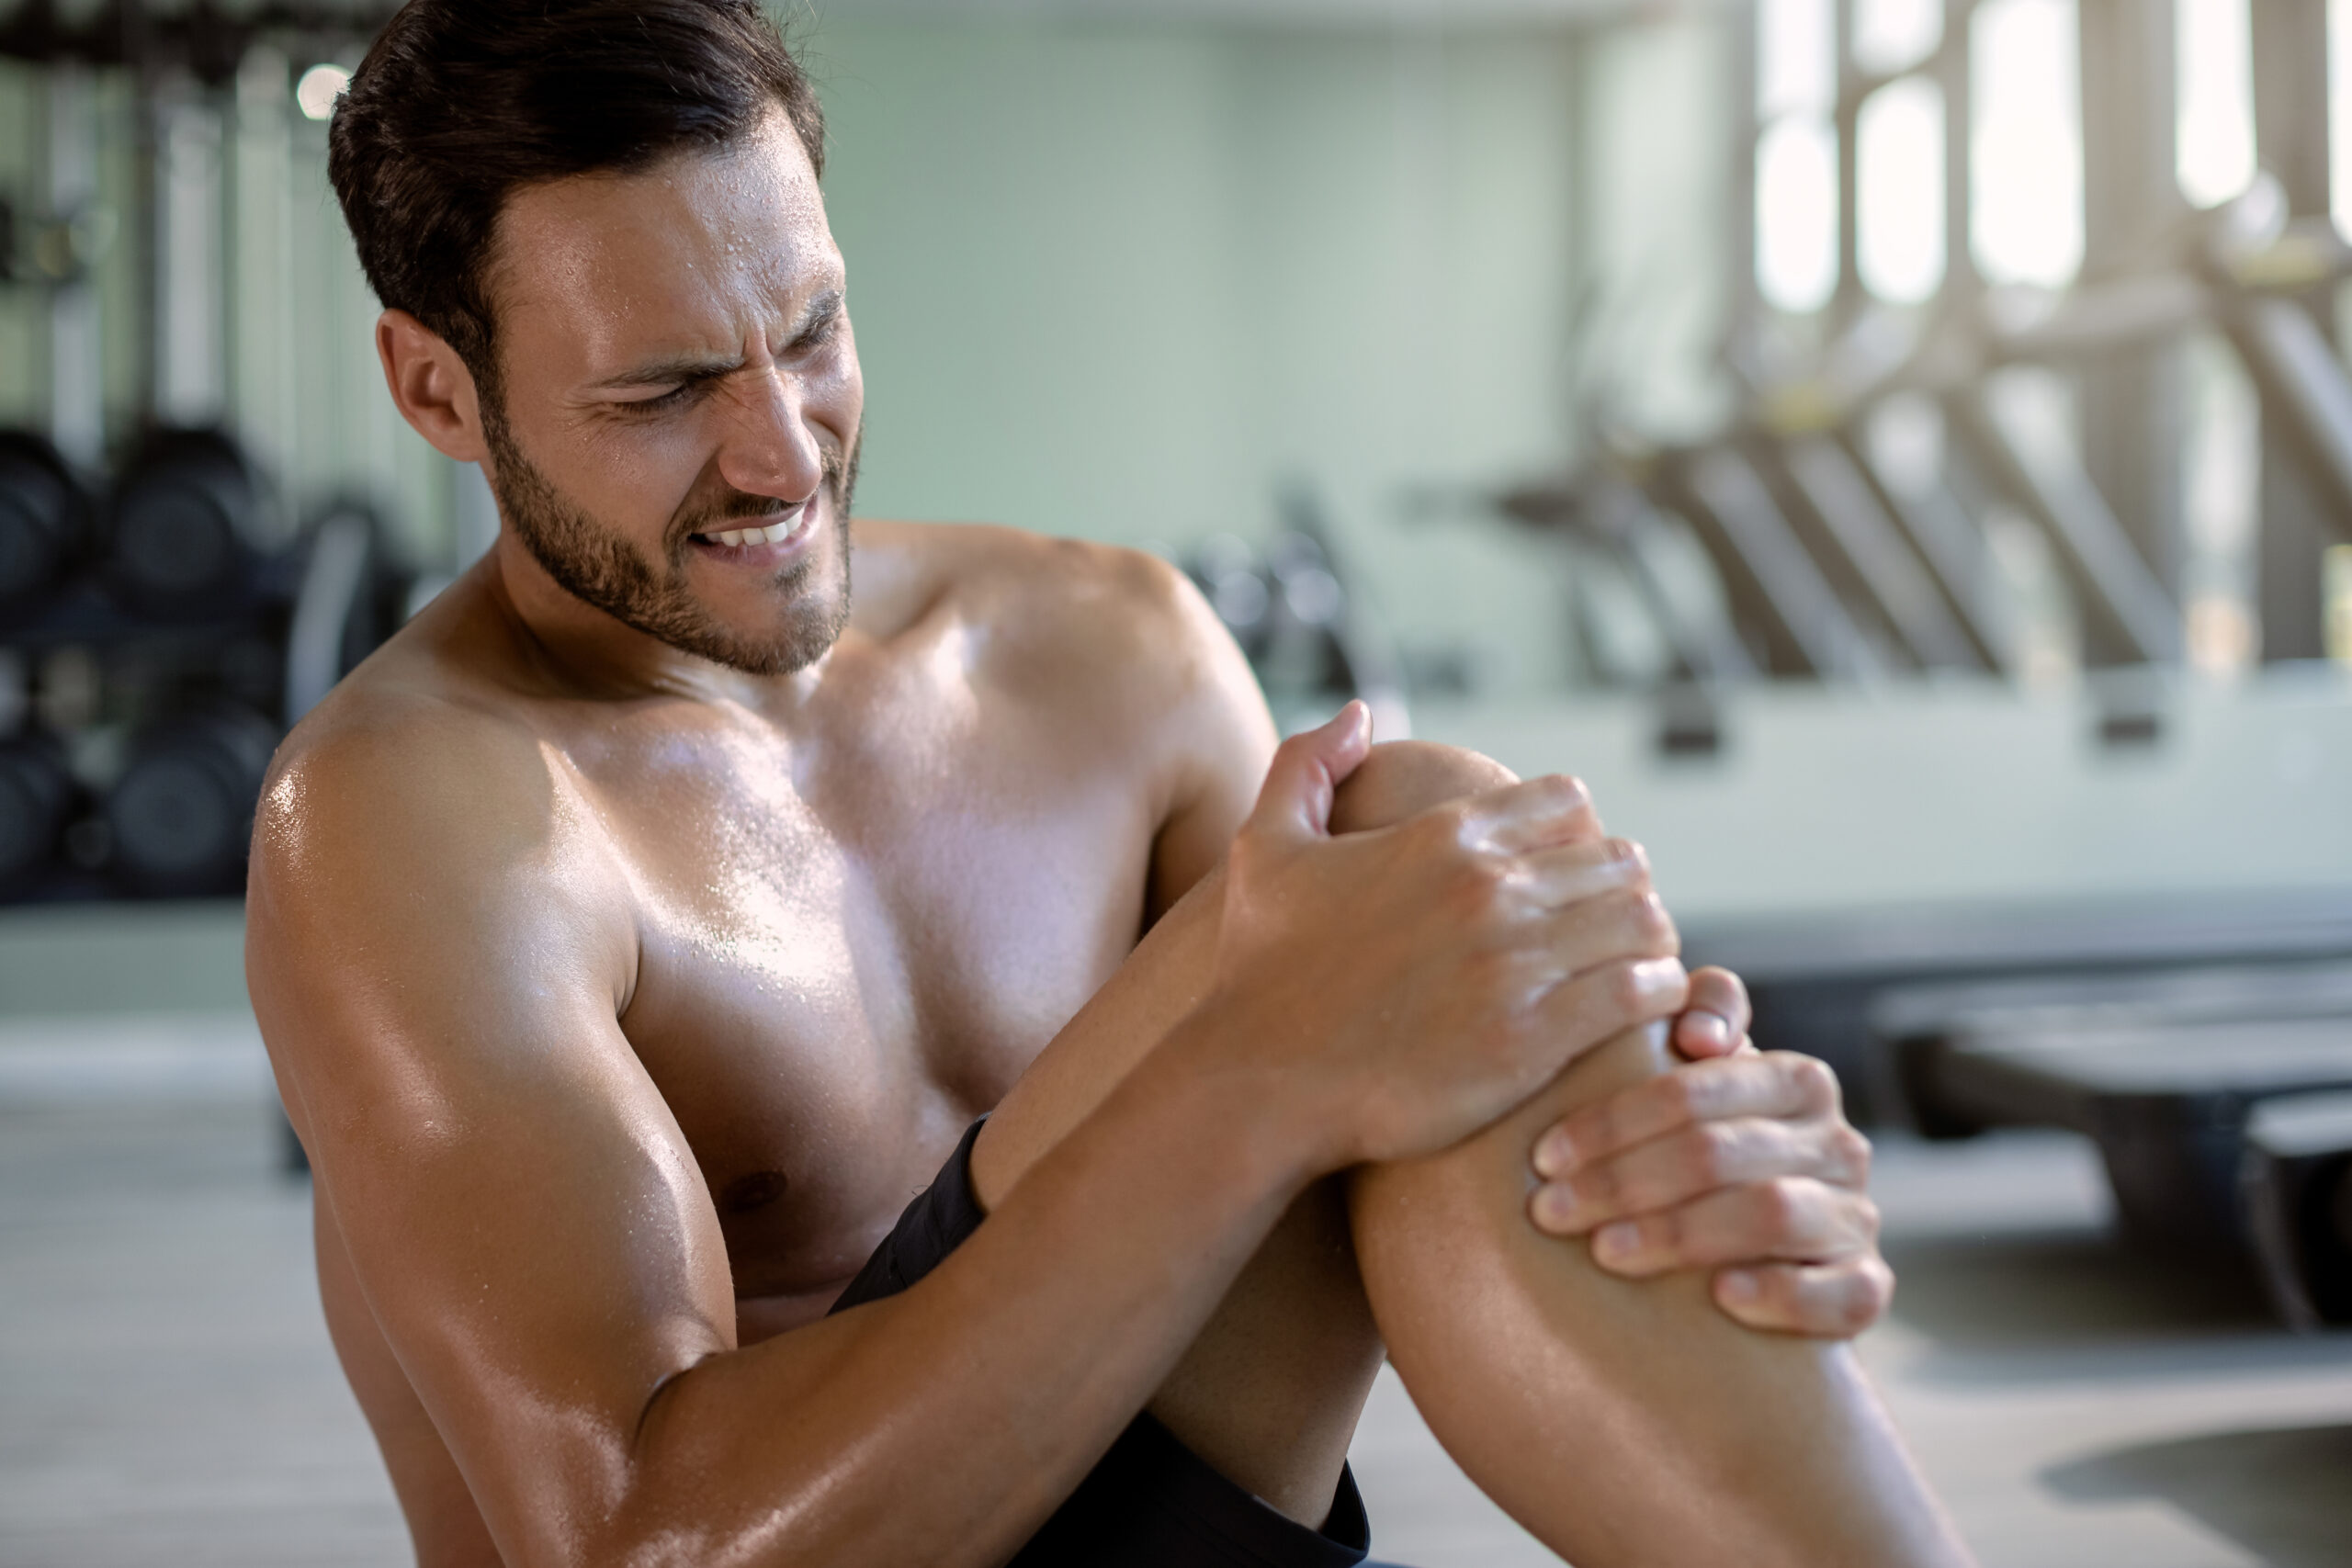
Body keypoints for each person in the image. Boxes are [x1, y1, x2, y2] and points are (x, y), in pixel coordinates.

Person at [245, 3, 1975, 1564]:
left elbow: (1443, 1082)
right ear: (438, 390)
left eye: (813, 330)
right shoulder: (413, 817)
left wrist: (1684, 1129)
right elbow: (643, 1542)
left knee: (1418, 841)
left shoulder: (1108, 650)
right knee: (1353, 929)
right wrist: (1261, 1070)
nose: (783, 451)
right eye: (667, 390)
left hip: (1175, 1523)